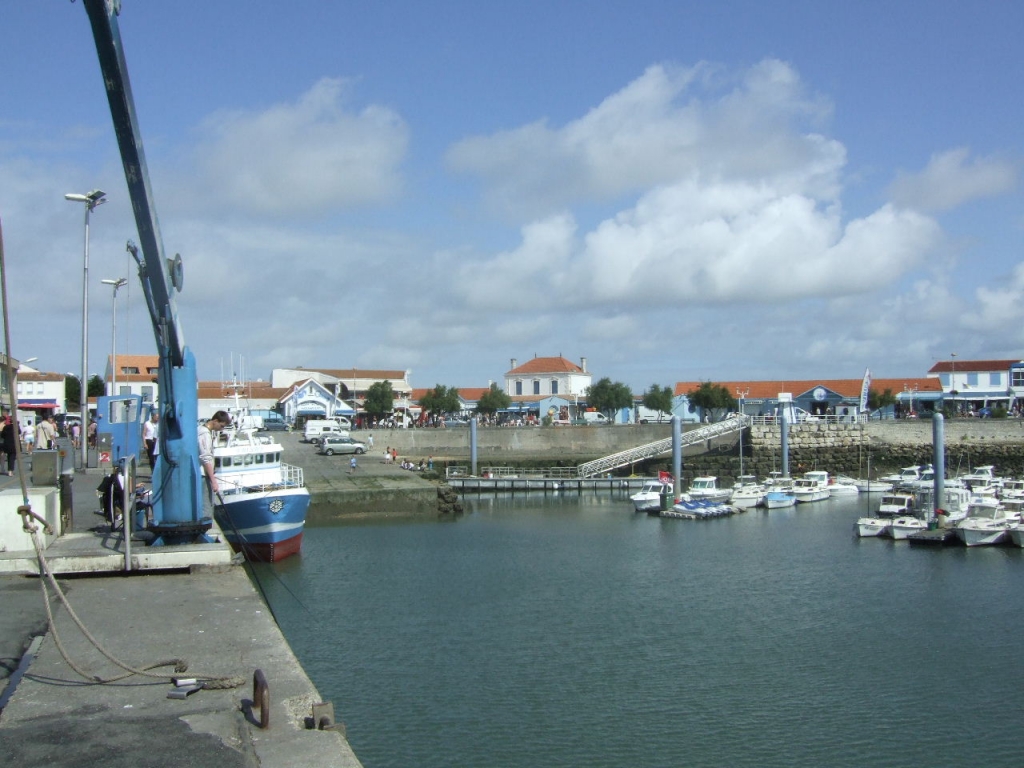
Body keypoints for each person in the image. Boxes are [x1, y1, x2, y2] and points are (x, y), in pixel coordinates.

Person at [198, 411, 231, 515]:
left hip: (202, 473)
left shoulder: (200, 430)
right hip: (203, 474)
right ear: (215, 421)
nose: (221, 429)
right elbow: (205, 457)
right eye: (221, 426)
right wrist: (213, 480)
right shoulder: (204, 433)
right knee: (206, 506)